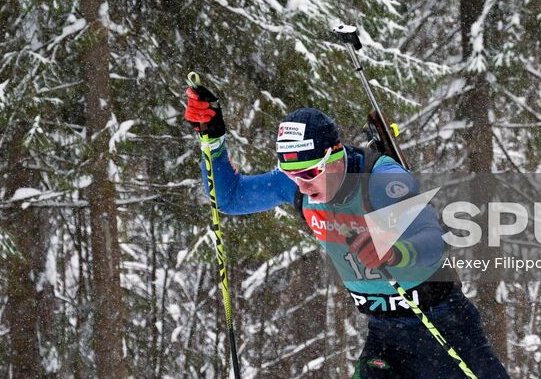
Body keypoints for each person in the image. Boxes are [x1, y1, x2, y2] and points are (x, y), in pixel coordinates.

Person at [185, 83, 511, 379]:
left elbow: (433, 241)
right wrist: (213, 141)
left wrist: (396, 252)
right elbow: (230, 197)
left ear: (335, 154)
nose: (302, 184)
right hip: (385, 336)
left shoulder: (380, 179)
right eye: (291, 173)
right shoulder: (299, 184)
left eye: (310, 172)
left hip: (442, 324)